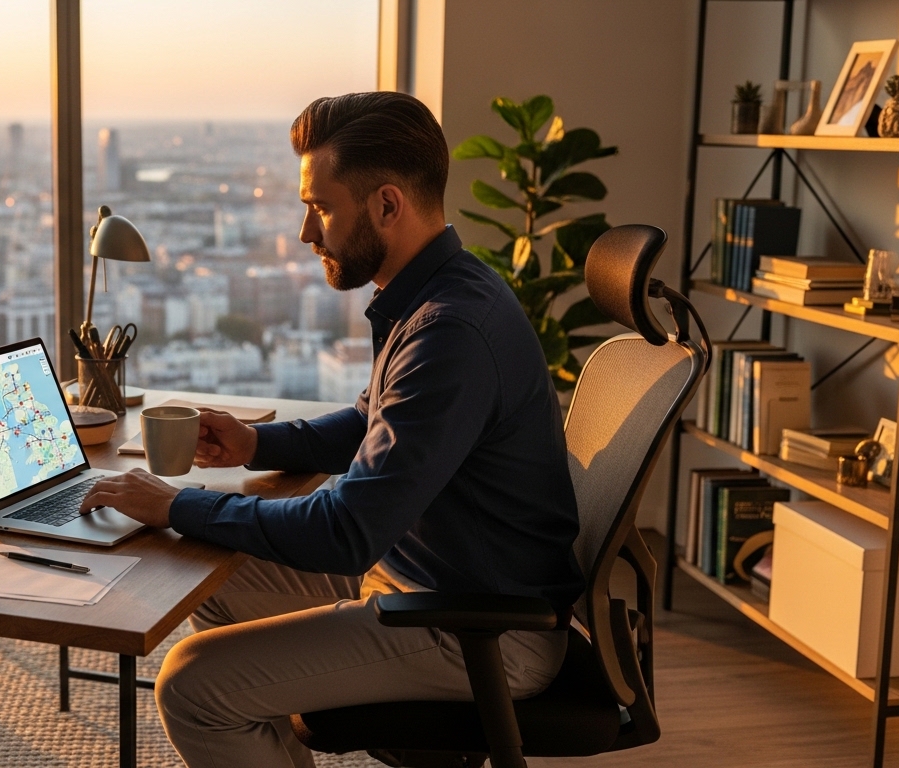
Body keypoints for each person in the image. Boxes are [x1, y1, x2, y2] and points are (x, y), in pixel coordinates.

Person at [80, 91, 584, 768]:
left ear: (386, 205)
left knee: (193, 687)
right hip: (426, 578)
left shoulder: (450, 331)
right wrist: (257, 444)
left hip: (476, 629)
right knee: (208, 578)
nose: (305, 233)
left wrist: (177, 504)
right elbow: (372, 422)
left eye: (320, 208)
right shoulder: (440, 293)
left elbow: (346, 533)